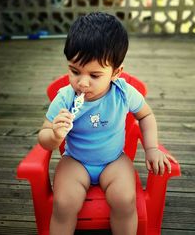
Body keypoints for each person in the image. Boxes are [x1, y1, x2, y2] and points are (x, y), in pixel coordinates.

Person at [38, 12, 177, 235]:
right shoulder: (65, 97)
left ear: (115, 73)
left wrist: (151, 148)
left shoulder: (123, 93)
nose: (82, 82)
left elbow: (146, 116)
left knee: (125, 200)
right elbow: (44, 138)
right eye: (74, 71)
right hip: (75, 161)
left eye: (94, 75)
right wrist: (54, 135)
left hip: (114, 160)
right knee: (64, 204)